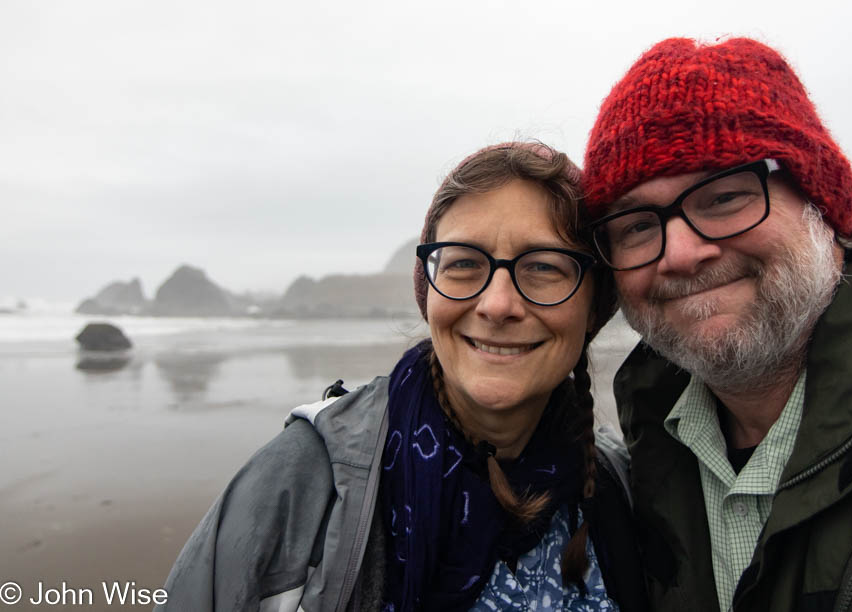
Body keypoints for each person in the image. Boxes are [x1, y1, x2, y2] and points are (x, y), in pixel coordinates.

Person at [158, 142, 645, 611]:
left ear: (593, 305)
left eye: (543, 266)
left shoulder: (621, 488)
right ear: (429, 291)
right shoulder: (305, 481)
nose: (497, 305)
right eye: (463, 264)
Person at [581, 37, 852, 612]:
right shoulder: (639, 467)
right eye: (635, 226)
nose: (678, 253)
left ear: (819, 204)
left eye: (724, 197)